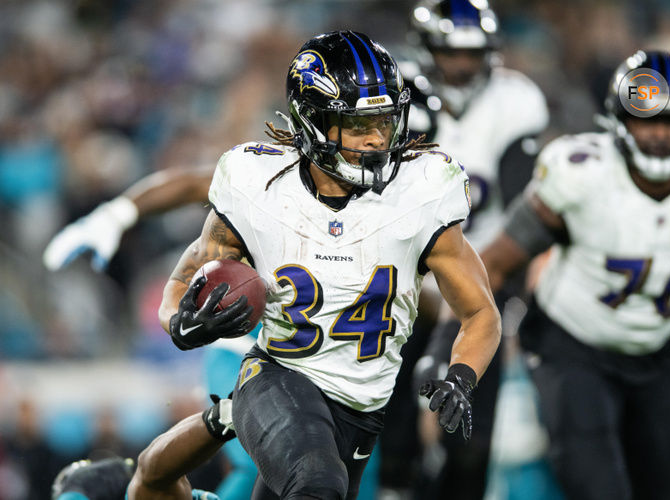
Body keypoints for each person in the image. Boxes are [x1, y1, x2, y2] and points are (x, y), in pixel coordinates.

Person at [157, 30, 501, 499]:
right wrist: (179, 319)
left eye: (385, 120)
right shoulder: (256, 184)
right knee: (318, 487)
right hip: (277, 378)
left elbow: (481, 313)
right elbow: (182, 278)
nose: (378, 138)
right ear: (313, 120)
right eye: (361, 126)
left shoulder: (422, 191)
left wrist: (462, 375)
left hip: (362, 410)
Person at [480, 50, 670, 500]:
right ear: (618, 122)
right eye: (646, 120)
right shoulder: (583, 173)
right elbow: (492, 264)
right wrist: (455, 347)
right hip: (573, 346)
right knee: (599, 489)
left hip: (657, 350)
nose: (659, 135)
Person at [398, 1, 548, 497]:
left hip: (482, 274)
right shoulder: (396, 95)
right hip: (400, 275)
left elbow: (521, 205)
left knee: (468, 435)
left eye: (472, 53)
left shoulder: (514, 101)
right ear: (426, 50)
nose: (462, 65)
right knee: (389, 424)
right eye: (449, 51)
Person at [51, 398, 232, 500]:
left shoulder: (77, 486)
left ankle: (226, 416)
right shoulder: (77, 486)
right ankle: (224, 417)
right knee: (148, 467)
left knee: (149, 469)